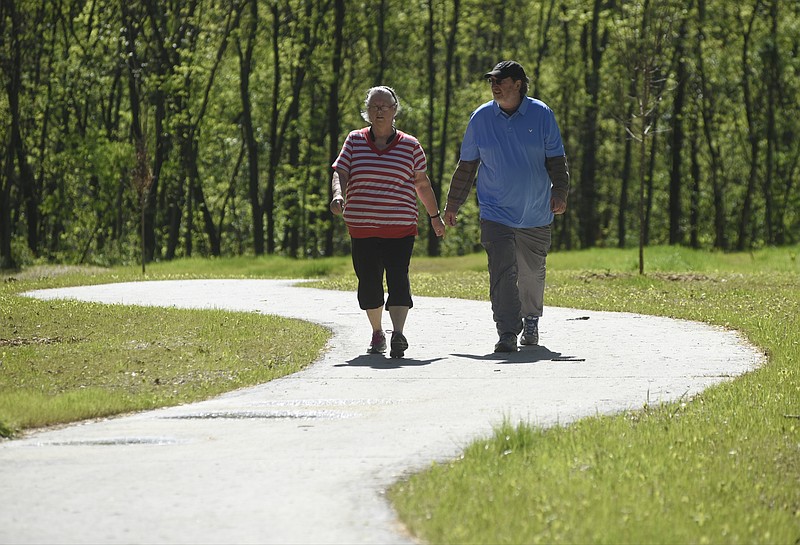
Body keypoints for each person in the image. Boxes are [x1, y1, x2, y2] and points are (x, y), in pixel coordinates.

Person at [443, 61, 570, 353]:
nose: (495, 86)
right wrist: (453, 204)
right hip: (495, 211)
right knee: (501, 270)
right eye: (492, 81)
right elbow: (467, 166)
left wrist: (560, 193)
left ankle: (531, 319)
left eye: (501, 80)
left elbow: (556, 160)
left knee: (531, 272)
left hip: (536, 210)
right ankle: (507, 331)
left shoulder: (541, 114)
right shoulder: (480, 118)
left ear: (518, 83)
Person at [331, 85, 446, 358]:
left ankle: (398, 334)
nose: (379, 111)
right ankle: (377, 332)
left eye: (385, 106)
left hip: (400, 228)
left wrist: (434, 217)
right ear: (367, 112)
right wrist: (338, 194)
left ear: (395, 111)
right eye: (374, 106)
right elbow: (341, 171)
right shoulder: (354, 140)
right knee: (369, 282)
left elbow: (422, 184)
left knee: (398, 278)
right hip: (362, 227)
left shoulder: (411, 146)